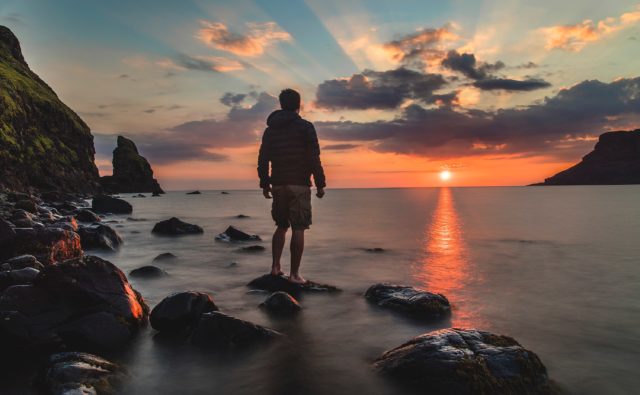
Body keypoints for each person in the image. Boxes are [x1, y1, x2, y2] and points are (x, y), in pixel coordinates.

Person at [258, 89, 326, 284]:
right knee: (298, 228)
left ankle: (275, 267)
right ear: (299, 104)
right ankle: (294, 274)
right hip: (299, 184)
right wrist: (320, 184)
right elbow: (314, 157)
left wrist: (265, 183)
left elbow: (263, 158)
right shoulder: (305, 127)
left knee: (281, 226)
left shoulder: (271, 130)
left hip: (278, 183)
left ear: (281, 104)